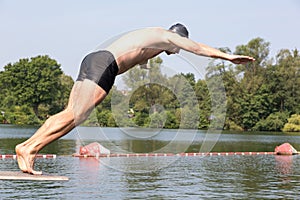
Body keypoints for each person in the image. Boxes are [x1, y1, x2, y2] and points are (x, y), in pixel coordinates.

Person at [15, 23, 255, 174]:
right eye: (177, 48)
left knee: (73, 113)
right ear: (177, 38)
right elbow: (198, 48)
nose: (176, 52)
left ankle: (29, 149)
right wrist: (228, 57)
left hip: (94, 59)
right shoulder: (168, 36)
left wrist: (145, 65)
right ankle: (27, 148)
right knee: (75, 115)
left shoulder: (153, 38)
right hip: (105, 65)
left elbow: (138, 54)